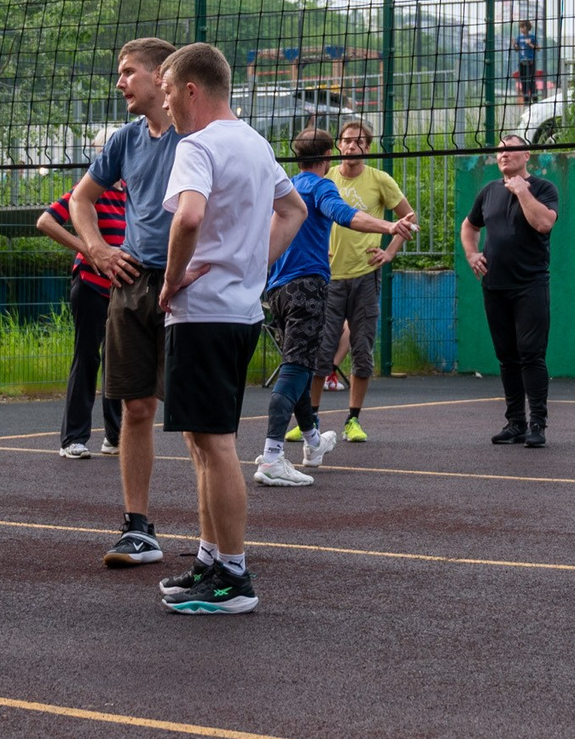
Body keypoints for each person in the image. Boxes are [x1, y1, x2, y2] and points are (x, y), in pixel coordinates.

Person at [151, 42, 307, 614]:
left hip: (205, 313)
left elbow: (189, 216)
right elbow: (294, 211)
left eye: (167, 90)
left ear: (191, 89)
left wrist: (171, 281)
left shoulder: (197, 145)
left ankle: (234, 578)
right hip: (235, 311)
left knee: (214, 445)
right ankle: (210, 559)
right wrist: (253, 265)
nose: (164, 101)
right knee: (200, 441)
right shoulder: (257, 144)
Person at [70, 38, 181, 567]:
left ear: (162, 77)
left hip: (190, 288)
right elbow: (80, 199)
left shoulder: (201, 136)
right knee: (136, 407)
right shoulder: (125, 140)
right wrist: (98, 250)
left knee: (201, 419)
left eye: (128, 72)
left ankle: (220, 544)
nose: (120, 83)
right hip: (132, 282)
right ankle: (138, 527)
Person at [256, 127, 414, 485]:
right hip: (306, 287)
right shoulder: (322, 185)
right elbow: (345, 214)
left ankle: (313, 441)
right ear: (328, 156)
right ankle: (272, 456)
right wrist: (390, 227)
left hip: (277, 289)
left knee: (302, 362)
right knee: (296, 369)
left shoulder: (284, 186)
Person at [460, 132, 559, 447]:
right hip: (495, 286)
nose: (504, 155)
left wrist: (521, 192)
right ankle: (515, 422)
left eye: (511, 150)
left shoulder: (543, 188)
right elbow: (469, 226)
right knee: (506, 357)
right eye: (500, 151)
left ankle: (537, 425)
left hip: (530, 285)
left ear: (526, 154)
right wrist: (472, 254)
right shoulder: (489, 191)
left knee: (531, 355)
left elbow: (544, 223)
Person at [319, 117, 415, 440]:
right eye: (347, 140)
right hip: (329, 277)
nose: (352, 146)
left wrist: (389, 253)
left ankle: (353, 420)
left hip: (365, 275)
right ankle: (310, 421)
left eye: (359, 142)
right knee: (321, 350)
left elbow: (409, 216)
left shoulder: (379, 180)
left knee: (362, 350)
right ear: (338, 144)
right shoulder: (327, 177)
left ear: (368, 148)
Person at [37, 180, 126, 460]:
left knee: (119, 362)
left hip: (123, 290)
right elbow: (46, 221)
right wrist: (90, 248)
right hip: (90, 285)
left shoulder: (137, 192)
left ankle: (114, 437)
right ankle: (73, 438)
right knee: (88, 357)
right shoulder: (92, 188)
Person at [512, 18, 542, 106]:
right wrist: (514, 44)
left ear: (527, 28)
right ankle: (526, 100)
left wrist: (530, 44)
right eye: (520, 27)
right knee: (523, 81)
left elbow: (538, 48)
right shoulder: (519, 38)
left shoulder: (532, 37)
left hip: (530, 62)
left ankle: (535, 98)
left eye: (523, 27)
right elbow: (517, 50)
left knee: (531, 81)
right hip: (522, 62)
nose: (521, 29)